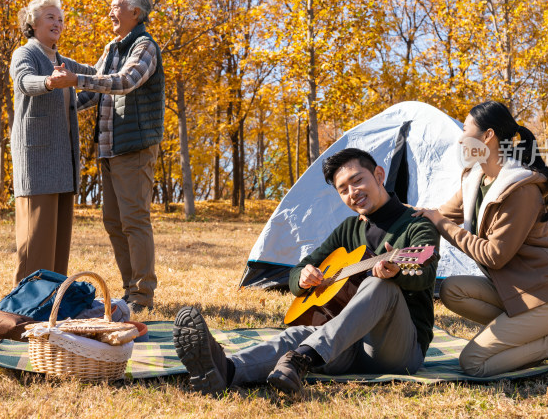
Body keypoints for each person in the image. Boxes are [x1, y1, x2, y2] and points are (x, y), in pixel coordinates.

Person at [172, 148, 440, 397]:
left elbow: (426, 276)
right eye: (343, 189)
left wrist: (396, 274)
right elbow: (301, 269)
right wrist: (302, 276)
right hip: (344, 345)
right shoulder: (348, 229)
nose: (352, 192)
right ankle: (226, 370)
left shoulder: (416, 225)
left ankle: (302, 358)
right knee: (296, 335)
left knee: (381, 286)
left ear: (379, 175)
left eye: (357, 180)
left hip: (396, 351)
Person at [412, 101, 548, 377]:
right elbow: (438, 214)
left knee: (473, 364)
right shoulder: (476, 178)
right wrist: (392, 211)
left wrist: (441, 223)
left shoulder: (520, 189)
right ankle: (524, 335)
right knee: (452, 289)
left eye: (465, 129)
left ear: (487, 136)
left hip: (547, 298)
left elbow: (494, 255)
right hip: (517, 292)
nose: (459, 137)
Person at [48, 0, 164, 316]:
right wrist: (57, 105)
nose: (110, 12)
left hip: (135, 146)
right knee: (113, 221)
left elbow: (124, 82)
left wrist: (77, 81)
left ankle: (142, 294)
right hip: (110, 148)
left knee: (134, 220)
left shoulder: (144, 46)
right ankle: (130, 290)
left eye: (116, 6)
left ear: (135, 13)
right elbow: (95, 92)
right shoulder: (113, 46)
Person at [10, 0, 97, 285]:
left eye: (60, 19)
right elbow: (24, 82)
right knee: (36, 242)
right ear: (32, 23)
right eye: (50, 17)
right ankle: (24, 306)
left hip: (64, 163)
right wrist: (48, 82)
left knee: (58, 246)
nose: (57, 23)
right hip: (37, 162)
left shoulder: (63, 62)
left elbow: (96, 79)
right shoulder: (25, 54)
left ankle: (53, 303)